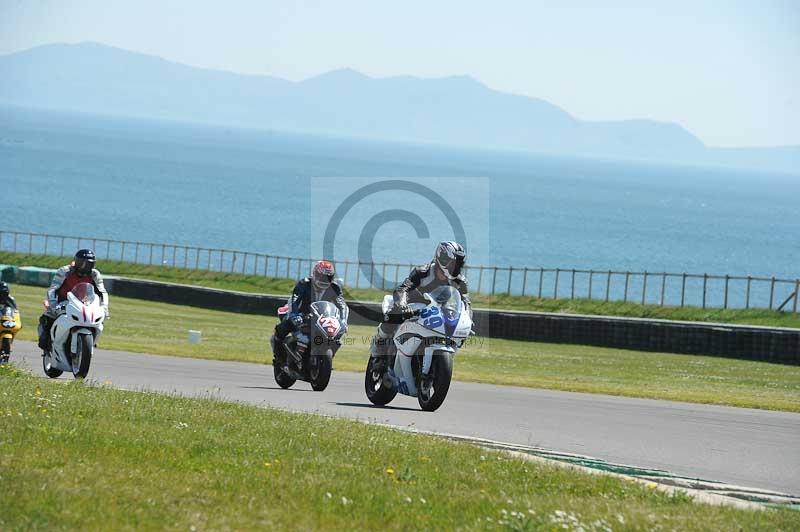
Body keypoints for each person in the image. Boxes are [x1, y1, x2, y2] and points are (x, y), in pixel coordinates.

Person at [370, 241, 471, 363]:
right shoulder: (422, 272)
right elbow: (403, 288)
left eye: (459, 264)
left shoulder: (460, 282)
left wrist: (468, 319)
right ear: (443, 258)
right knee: (394, 313)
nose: (456, 268)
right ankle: (379, 343)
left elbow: (465, 303)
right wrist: (402, 305)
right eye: (454, 263)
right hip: (412, 307)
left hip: (436, 310)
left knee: (457, 332)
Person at [270, 260, 349, 363]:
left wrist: (343, 320)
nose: (324, 280)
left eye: (328, 277)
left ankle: (324, 360)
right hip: (301, 314)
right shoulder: (304, 284)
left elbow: (342, 305)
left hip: (321, 317)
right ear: (315, 274)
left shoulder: (335, 287)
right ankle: (278, 357)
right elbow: (295, 300)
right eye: (321, 276)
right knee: (283, 327)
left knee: (336, 337)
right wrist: (295, 314)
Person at [38, 249, 110, 351]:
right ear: (76, 261)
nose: (84, 267)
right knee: (48, 319)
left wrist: (104, 308)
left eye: (88, 264)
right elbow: (53, 289)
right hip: (63, 302)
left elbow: (102, 292)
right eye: (82, 263)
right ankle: (47, 339)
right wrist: (53, 306)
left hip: (85, 303)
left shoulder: (94, 274)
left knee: (98, 320)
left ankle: (90, 342)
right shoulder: (65, 271)